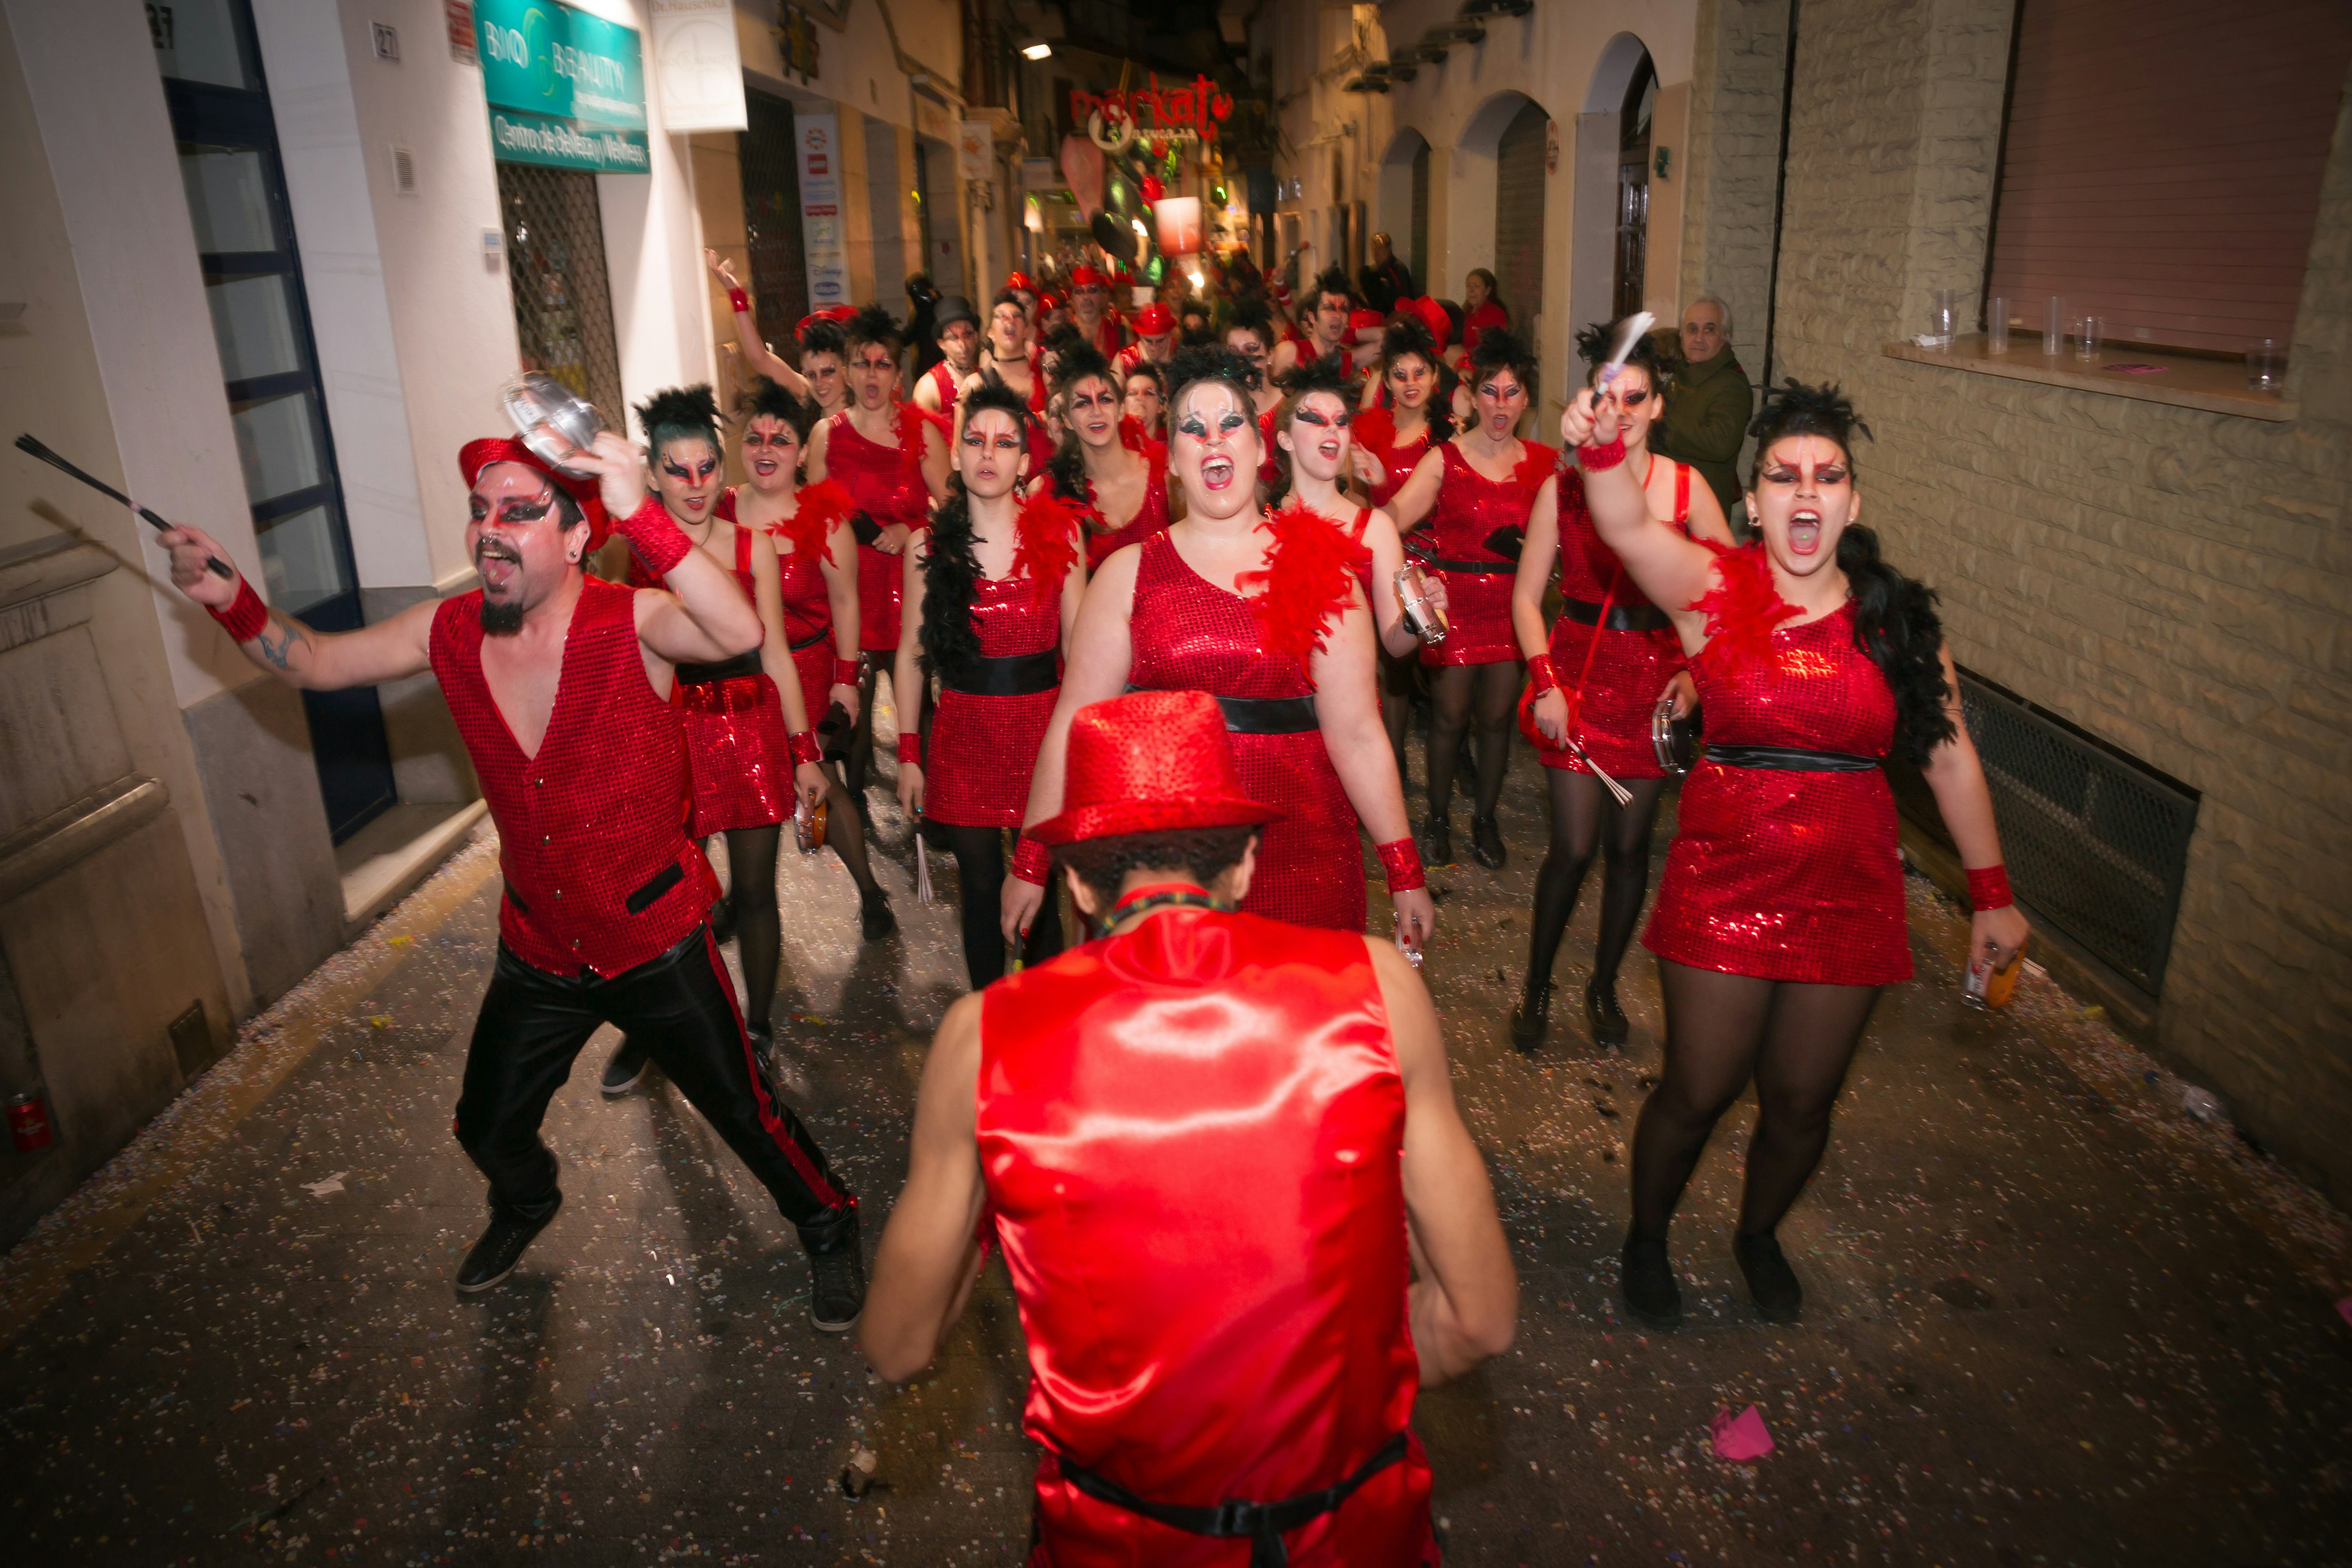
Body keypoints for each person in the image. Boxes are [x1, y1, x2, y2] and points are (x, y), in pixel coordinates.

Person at [154, 431, 865, 1327]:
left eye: (520, 512)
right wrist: (232, 599)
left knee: (746, 1115)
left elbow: (740, 632)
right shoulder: (448, 630)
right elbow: (319, 662)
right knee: (486, 1126)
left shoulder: (634, 621)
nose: (490, 528)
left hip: (653, 937)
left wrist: (641, 512)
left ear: (575, 537)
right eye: (480, 511)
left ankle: (829, 1222)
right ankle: (528, 1199)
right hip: (539, 945)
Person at [863, 689, 1517, 1566]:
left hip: (1124, 1539)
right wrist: (1333, 1401)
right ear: (1244, 866)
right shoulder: (1378, 989)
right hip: (1353, 1528)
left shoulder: (984, 1038)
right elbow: (1478, 1319)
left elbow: (898, 1343)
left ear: (1078, 885)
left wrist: (993, 1195)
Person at [1562, 379, 2029, 1329]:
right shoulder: (1710, 591)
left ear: (1854, 502)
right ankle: (1647, 1237)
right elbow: (1623, 524)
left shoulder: (1897, 623)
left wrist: (1993, 894)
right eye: (1784, 475)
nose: (1806, 491)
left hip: (1851, 888)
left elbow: (1947, 758)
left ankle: (1758, 1233)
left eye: (1828, 475)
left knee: (1803, 1101)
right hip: (1724, 879)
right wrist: (1602, 447)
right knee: (1699, 1088)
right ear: (1753, 501)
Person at [1003, 346, 1437, 948]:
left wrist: (1405, 871)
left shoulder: (1323, 571)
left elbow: (1359, 736)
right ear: (1173, 461)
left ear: (1259, 450)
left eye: (1232, 423)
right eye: (1193, 427)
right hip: (1168, 868)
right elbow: (1073, 726)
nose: (1213, 438)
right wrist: (1030, 860)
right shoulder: (1129, 574)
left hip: (1306, 856)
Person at [596, 385, 839, 1095]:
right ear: (652, 475)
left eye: (707, 467)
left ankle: (756, 1027)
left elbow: (776, 654)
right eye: (678, 470)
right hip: (668, 733)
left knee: (755, 892)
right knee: (666, 903)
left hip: (749, 728)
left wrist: (805, 752)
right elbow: (612, 657)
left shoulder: (753, 547)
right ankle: (654, 1028)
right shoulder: (627, 553)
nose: (696, 484)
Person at [1507, 320, 1734, 1052]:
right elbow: (1525, 598)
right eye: (1614, 397)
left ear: (1659, 406)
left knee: (1631, 851)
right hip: (1576, 681)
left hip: (1653, 691)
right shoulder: (1564, 487)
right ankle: (1537, 985)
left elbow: (1729, 602)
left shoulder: (1688, 488)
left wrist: (1694, 676)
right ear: (1595, 404)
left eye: (1639, 398)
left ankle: (1603, 985)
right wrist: (1545, 681)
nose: (1626, 411)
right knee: (1573, 847)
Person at [894, 383, 1088, 987]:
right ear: (955, 455)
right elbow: (912, 654)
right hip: (963, 735)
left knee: (1041, 891)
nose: (988, 453)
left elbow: (1083, 656)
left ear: (1025, 462)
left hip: (1042, 736)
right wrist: (908, 753)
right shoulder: (928, 545)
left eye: (1005, 443)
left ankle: (1046, 1020)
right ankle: (989, 1018)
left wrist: (1083, 750)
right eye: (976, 440)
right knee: (979, 890)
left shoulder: (1061, 536)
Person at [717, 377, 895, 939]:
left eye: (780, 439)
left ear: (800, 451)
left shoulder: (824, 518)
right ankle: (742, 895)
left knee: (821, 782)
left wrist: (846, 682)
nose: (765, 450)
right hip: (736, 678)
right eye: (754, 439)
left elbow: (846, 602)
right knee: (741, 790)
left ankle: (870, 892)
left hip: (808, 669)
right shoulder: (720, 509)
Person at [1384, 327, 1553, 870]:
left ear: (1526, 400)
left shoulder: (1545, 464)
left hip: (1512, 606)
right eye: (1490, 391)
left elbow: (1572, 538)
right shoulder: (1445, 458)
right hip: (1453, 604)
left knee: (1498, 720)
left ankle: (1485, 819)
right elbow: (1390, 519)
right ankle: (1437, 820)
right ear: (1471, 396)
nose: (1501, 405)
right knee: (1449, 718)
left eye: (1512, 392)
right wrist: (1341, 518)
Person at [806, 304, 952, 807]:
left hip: (911, 599)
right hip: (851, 605)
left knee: (923, 725)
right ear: (847, 371)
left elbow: (957, 516)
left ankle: (934, 816)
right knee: (852, 736)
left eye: (882, 364)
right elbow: (810, 527)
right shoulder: (827, 436)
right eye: (862, 364)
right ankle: (855, 826)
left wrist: (910, 528)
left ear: (897, 373)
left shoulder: (922, 434)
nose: (872, 375)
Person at [1047, 343, 1170, 571]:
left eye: (1105, 400)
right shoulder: (1059, 495)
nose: (1096, 411)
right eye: (1082, 403)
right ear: (1067, 420)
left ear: (1121, 410)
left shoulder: (1164, 473)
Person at [1649, 293, 1754, 522]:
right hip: (1665, 500)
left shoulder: (1730, 384)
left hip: (1699, 512)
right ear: (1681, 335)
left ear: (1725, 336)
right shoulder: (1682, 372)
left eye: (1709, 330)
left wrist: (1661, 420)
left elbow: (1720, 443)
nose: (1698, 338)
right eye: (1692, 329)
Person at [1272, 266, 1354, 380]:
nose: (1309, 325)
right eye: (1328, 309)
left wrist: (1346, 334)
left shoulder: (1340, 356)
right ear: (1312, 317)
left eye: (1343, 310)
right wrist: (1280, 284)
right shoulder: (1290, 349)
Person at [913, 293, 982, 420]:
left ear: (976, 337)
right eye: (953, 337)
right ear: (942, 344)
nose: (962, 344)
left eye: (967, 334)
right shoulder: (928, 386)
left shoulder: (986, 377)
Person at [1114, 301, 1175, 378]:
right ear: (1140, 336)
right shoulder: (1125, 359)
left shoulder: (1181, 355)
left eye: (1160, 341)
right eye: (1149, 341)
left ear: (1170, 334)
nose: (1154, 347)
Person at [1359, 231, 1414, 316]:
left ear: (1389, 249)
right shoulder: (1371, 272)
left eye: (1380, 248)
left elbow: (1404, 299)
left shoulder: (1398, 270)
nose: (1376, 252)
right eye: (1374, 248)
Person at [1461, 269, 1508, 354]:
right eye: (1468, 286)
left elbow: (1497, 348)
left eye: (1476, 286)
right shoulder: (1465, 312)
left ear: (1487, 290)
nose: (1471, 290)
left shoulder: (1496, 314)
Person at [905, 271, 941, 379]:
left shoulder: (925, 313)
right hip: (928, 365)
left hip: (932, 365)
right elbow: (908, 337)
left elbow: (908, 337)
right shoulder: (922, 313)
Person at [1121, 360, 1166, 443]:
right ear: (1123, 406)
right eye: (1132, 393)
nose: (1140, 398)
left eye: (1148, 393)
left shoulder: (1172, 448)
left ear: (1160, 406)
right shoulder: (1112, 445)